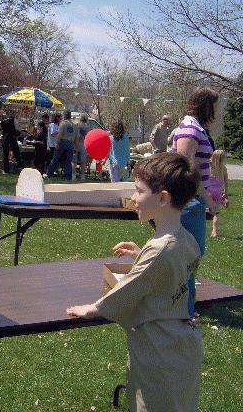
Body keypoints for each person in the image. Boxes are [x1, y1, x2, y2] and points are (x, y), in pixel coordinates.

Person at [67, 153, 203, 412]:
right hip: (181, 347)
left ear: (163, 198)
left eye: (139, 191)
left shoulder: (161, 250)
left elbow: (131, 289)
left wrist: (93, 309)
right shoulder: (184, 240)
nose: (133, 198)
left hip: (158, 351)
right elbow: (168, 274)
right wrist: (141, 254)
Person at [171, 86, 219, 316]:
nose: (216, 111)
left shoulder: (196, 127)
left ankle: (184, 307)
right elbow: (185, 167)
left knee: (189, 257)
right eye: (213, 105)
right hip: (188, 201)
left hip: (192, 201)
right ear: (205, 105)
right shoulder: (190, 128)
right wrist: (208, 198)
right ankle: (184, 311)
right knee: (188, 257)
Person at [46, 110, 76, 180]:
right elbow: (76, 136)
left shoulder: (63, 123)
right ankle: (68, 177)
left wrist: (57, 142)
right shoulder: (74, 124)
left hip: (63, 142)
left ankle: (49, 174)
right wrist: (75, 146)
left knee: (55, 158)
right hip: (71, 143)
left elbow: (60, 133)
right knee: (68, 161)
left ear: (64, 116)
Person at [208, 149, 229, 237]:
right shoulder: (223, 168)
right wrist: (226, 194)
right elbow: (226, 182)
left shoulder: (209, 166)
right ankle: (214, 231)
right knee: (215, 213)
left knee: (204, 211)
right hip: (218, 193)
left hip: (208, 192)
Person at [0, 109, 23, 174]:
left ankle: (6, 170)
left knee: (5, 154)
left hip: (5, 138)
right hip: (12, 138)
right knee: (16, 153)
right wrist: (18, 133)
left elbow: (1, 130)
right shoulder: (14, 120)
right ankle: (19, 167)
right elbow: (18, 129)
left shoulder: (3, 121)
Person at [73, 115, 90, 180]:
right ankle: (82, 177)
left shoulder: (76, 125)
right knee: (83, 162)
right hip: (83, 144)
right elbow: (87, 137)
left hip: (75, 144)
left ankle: (73, 176)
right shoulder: (87, 127)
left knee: (74, 161)